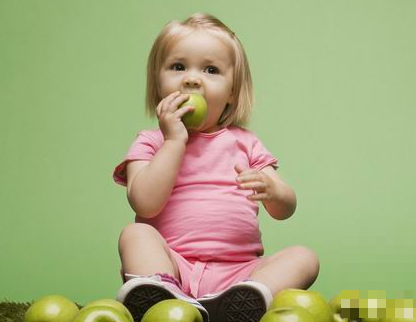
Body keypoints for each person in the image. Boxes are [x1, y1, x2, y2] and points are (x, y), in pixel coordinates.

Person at [112, 12, 320, 322]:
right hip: (173, 266)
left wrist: (273, 189)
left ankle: (248, 298)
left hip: (240, 273)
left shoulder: (245, 143)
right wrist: (174, 142)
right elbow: (144, 202)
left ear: (232, 93)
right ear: (158, 83)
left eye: (211, 70)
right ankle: (163, 295)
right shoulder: (150, 142)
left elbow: (285, 208)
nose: (192, 79)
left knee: (305, 258)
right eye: (178, 67)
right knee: (135, 234)